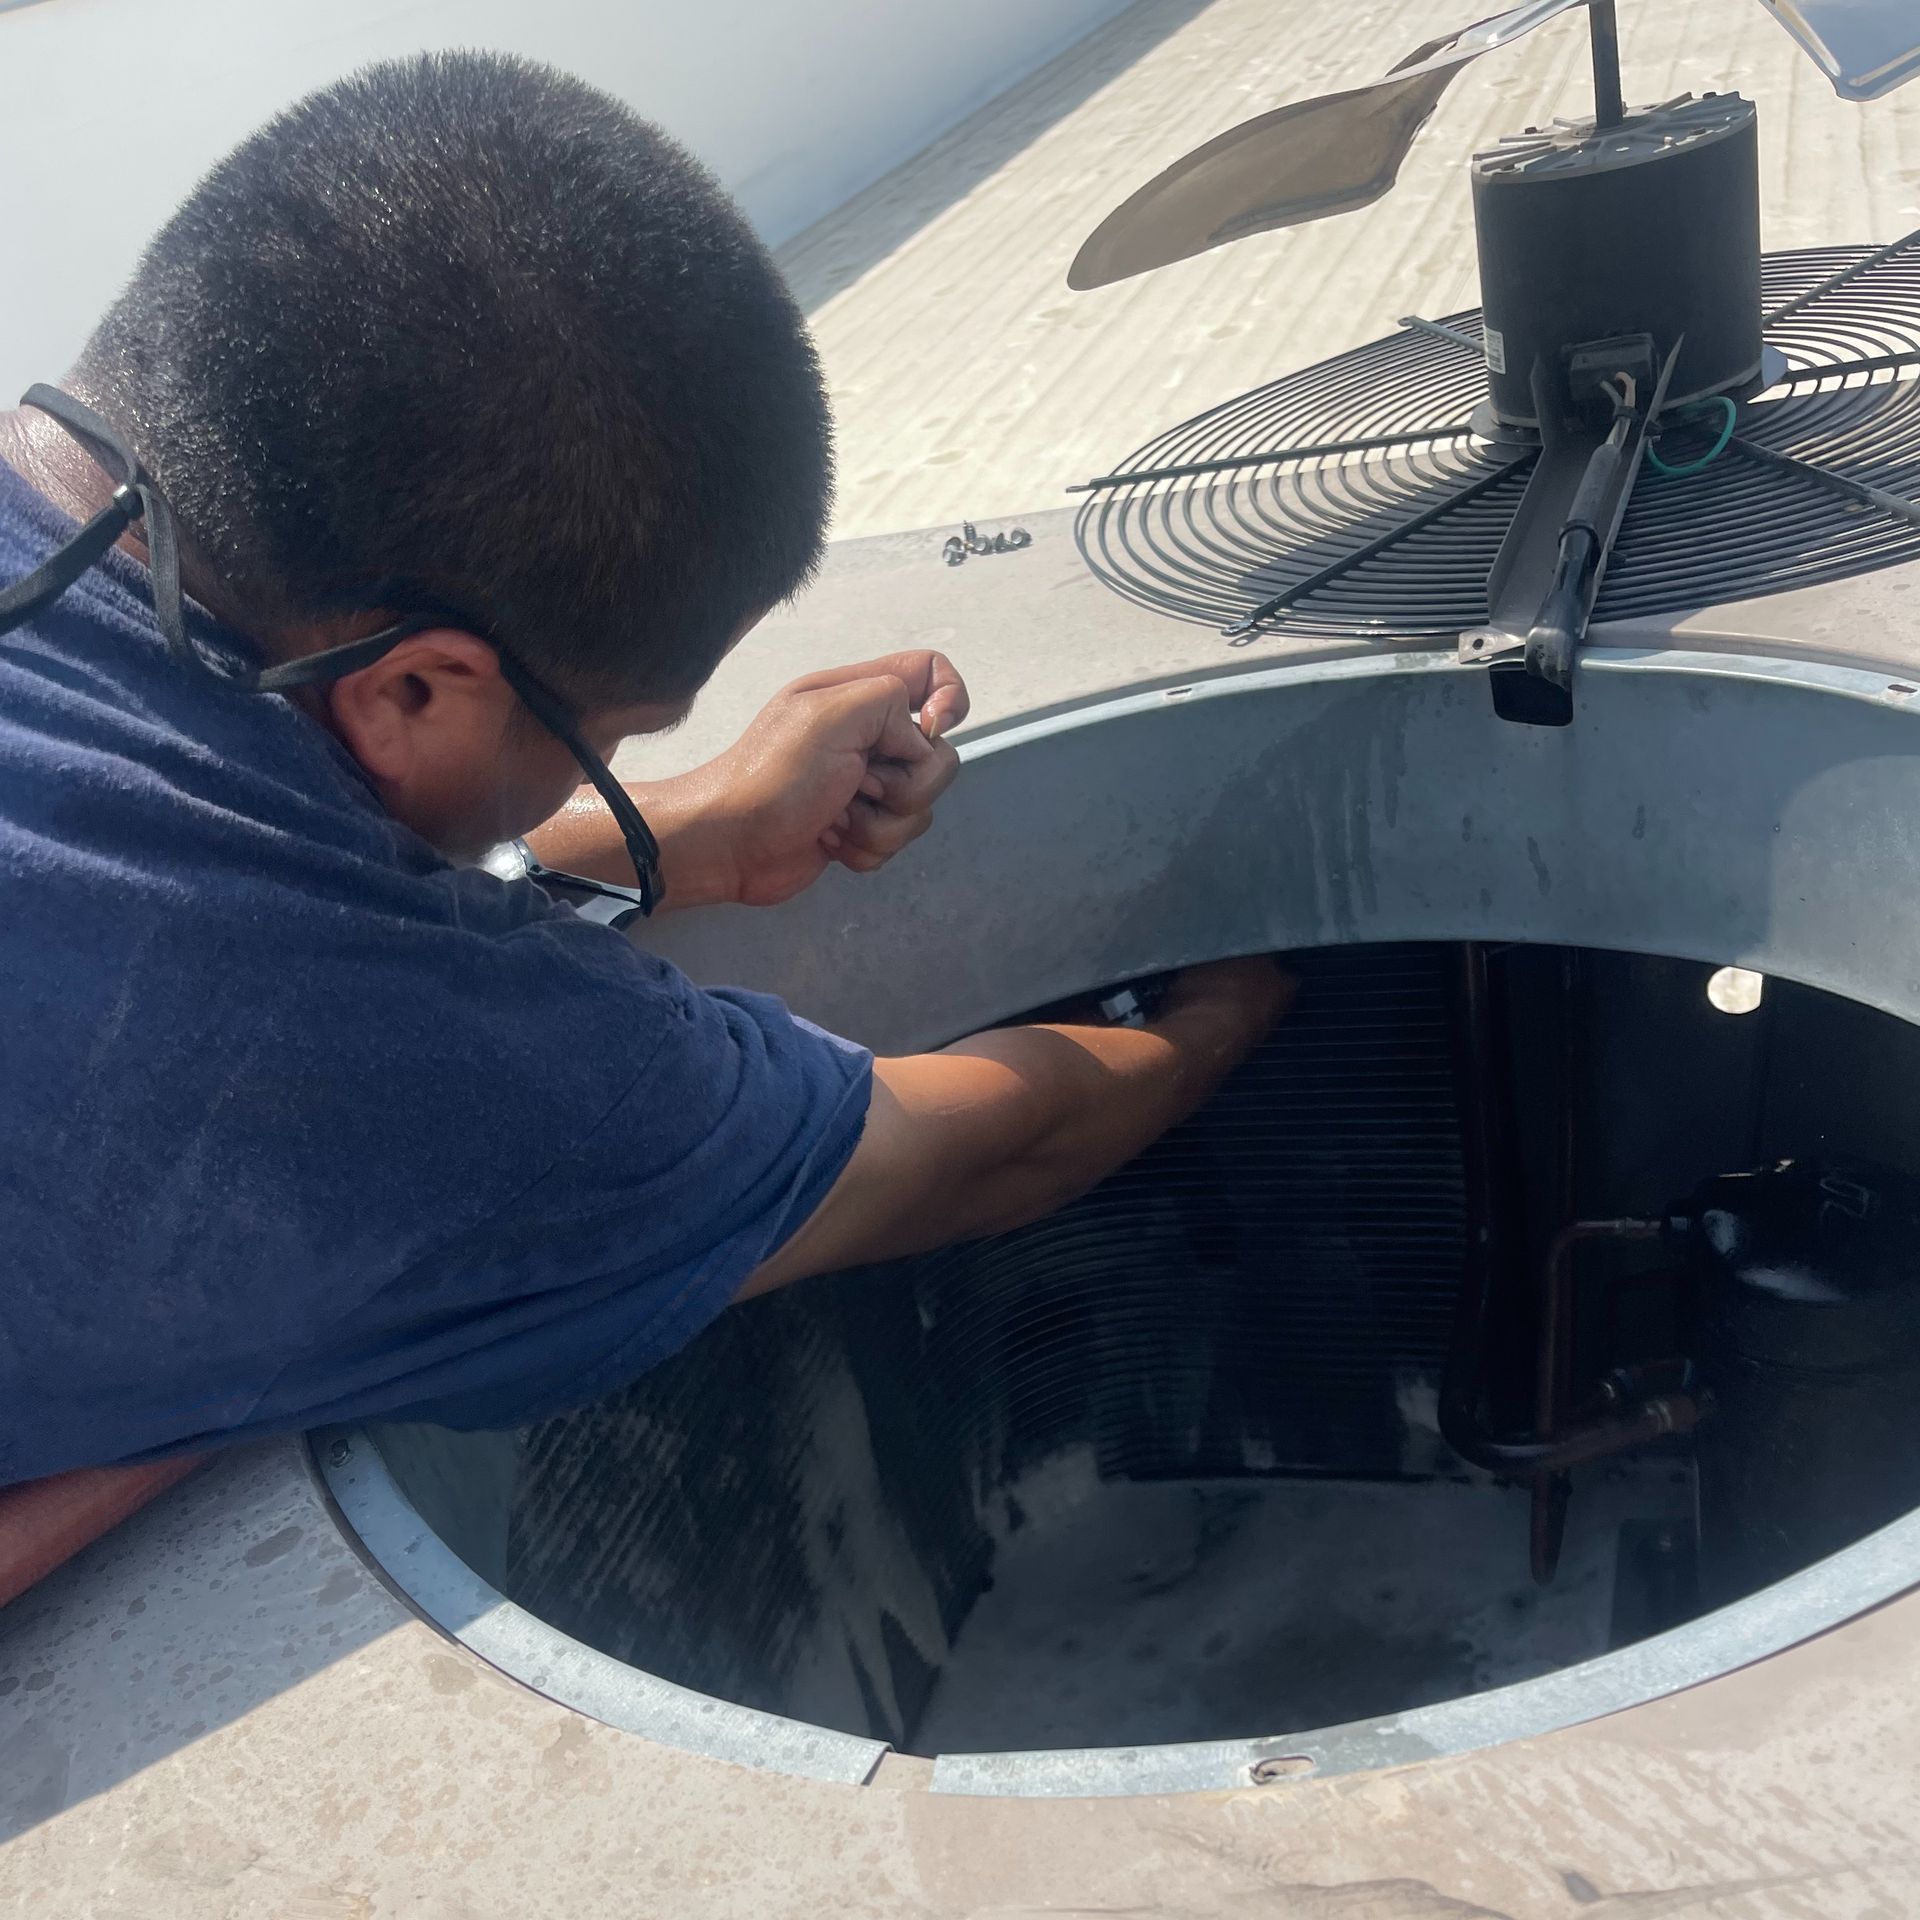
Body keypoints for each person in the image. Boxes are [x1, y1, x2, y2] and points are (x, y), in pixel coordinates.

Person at [0, 52, 1289, 1488]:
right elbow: (974, 1154)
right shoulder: (409, 1067)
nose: (602, 771)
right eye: (608, 738)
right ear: (420, 685)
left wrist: (686, 831)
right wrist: (1241, 1001)